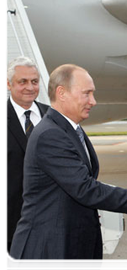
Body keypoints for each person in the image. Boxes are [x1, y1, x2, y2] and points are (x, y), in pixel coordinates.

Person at [8, 64, 127, 270]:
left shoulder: (69, 129)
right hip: (50, 250)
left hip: (72, 245)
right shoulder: (50, 134)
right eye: (86, 94)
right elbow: (84, 188)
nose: (93, 101)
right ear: (62, 93)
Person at [5, 57, 49, 268]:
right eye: (23, 81)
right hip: (10, 224)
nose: (30, 87)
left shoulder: (53, 116)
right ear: (8, 84)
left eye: (34, 81)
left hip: (50, 221)